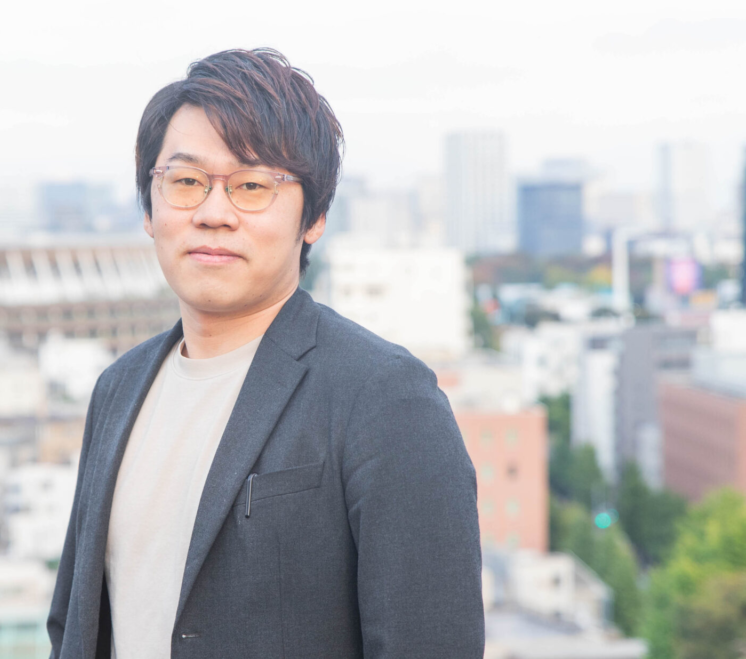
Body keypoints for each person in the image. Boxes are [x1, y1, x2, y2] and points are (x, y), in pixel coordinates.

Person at [47, 48, 484, 659]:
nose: (213, 213)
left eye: (252, 186)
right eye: (186, 182)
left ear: (315, 217)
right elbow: (73, 627)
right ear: (149, 207)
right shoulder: (117, 389)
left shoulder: (384, 399)